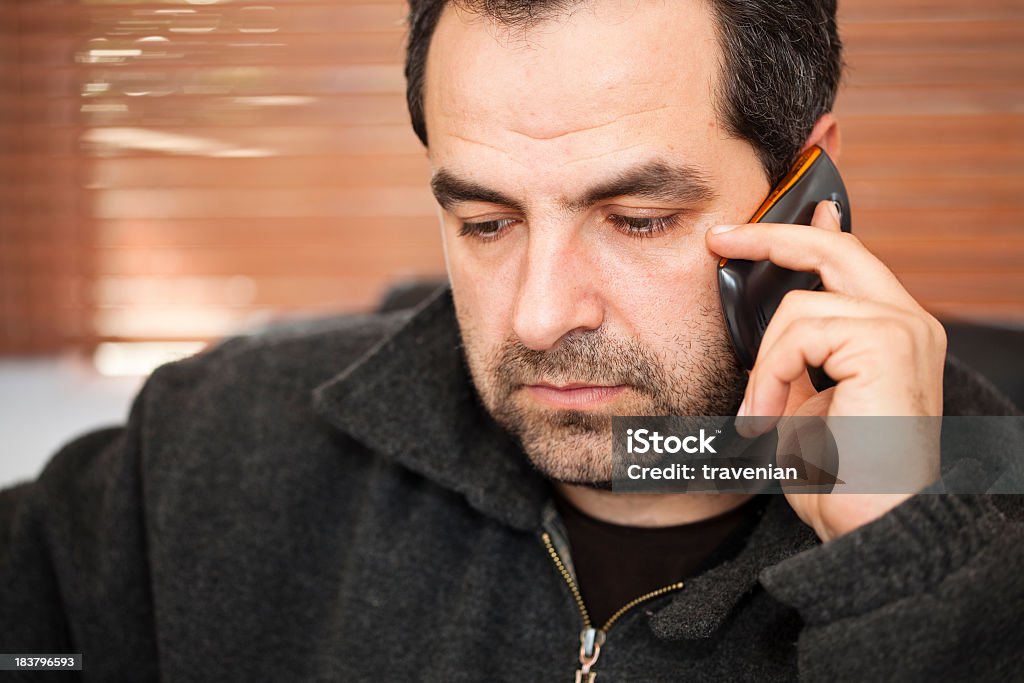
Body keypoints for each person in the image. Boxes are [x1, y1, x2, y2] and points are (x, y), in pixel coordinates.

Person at [3, 0, 1022, 680]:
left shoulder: (992, 519)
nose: (538, 316)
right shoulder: (205, 446)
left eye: (636, 219)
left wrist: (909, 572)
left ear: (807, 188)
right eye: (486, 223)